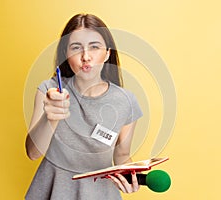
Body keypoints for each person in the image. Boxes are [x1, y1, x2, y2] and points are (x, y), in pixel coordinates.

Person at [25, 13, 143, 200]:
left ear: (107, 53)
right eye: (76, 48)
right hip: (53, 193)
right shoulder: (49, 90)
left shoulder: (126, 101)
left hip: (101, 194)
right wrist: (51, 118)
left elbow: (121, 156)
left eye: (94, 47)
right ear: (66, 55)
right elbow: (32, 152)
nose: (85, 56)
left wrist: (131, 177)